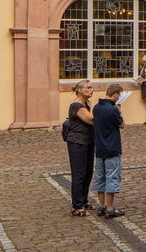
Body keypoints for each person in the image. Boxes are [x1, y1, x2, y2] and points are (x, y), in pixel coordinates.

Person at [93, 83, 126, 219]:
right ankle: (110, 208)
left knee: (100, 177)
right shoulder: (112, 110)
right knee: (112, 177)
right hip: (112, 147)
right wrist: (119, 111)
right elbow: (121, 124)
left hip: (99, 147)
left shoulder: (96, 107)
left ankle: (101, 206)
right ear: (115, 95)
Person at [66, 80, 95, 216]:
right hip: (77, 143)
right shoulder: (76, 105)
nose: (91, 90)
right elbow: (91, 119)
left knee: (88, 172)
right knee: (79, 174)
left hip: (88, 141)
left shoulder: (86, 104)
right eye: (88, 88)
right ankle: (76, 205)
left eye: (91, 87)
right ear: (80, 90)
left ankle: (83, 200)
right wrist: (94, 107)